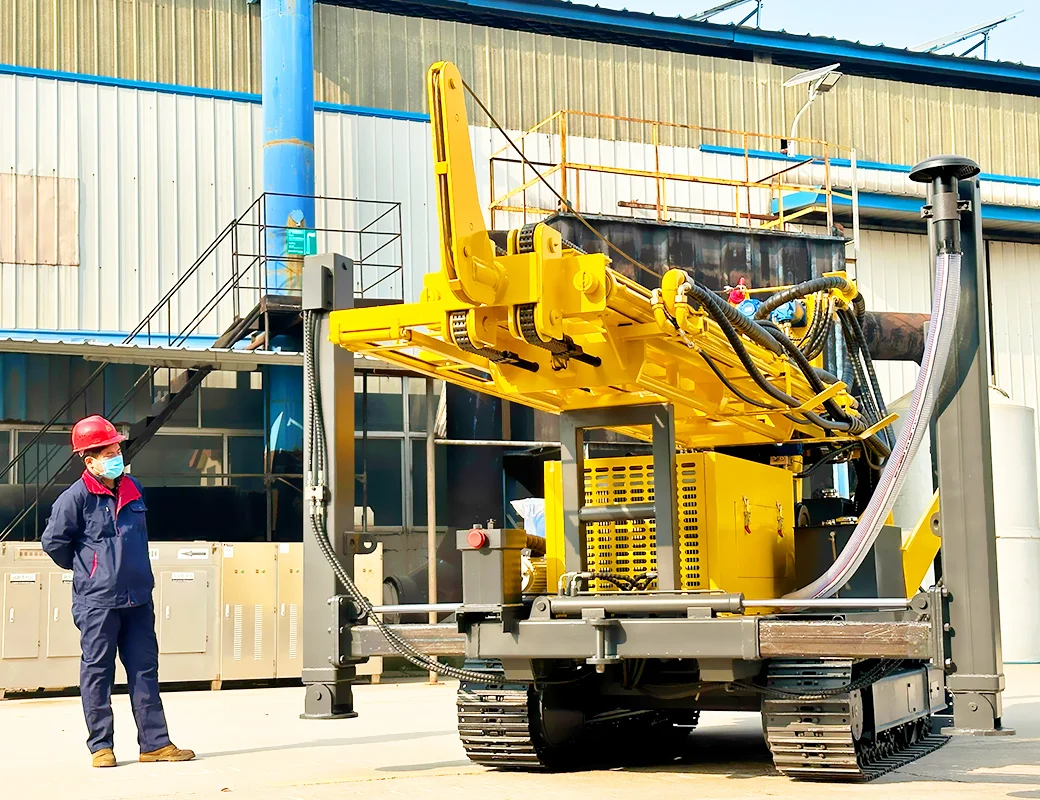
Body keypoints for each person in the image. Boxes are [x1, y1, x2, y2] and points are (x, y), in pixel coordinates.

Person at [41, 415, 195, 768]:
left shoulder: (133, 488)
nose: (117, 456)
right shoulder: (74, 499)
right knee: (98, 672)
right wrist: (89, 570)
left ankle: (154, 744)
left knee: (144, 670)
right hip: (97, 602)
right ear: (89, 459)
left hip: (138, 598)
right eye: (109, 451)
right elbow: (54, 543)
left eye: (117, 450)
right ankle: (101, 746)